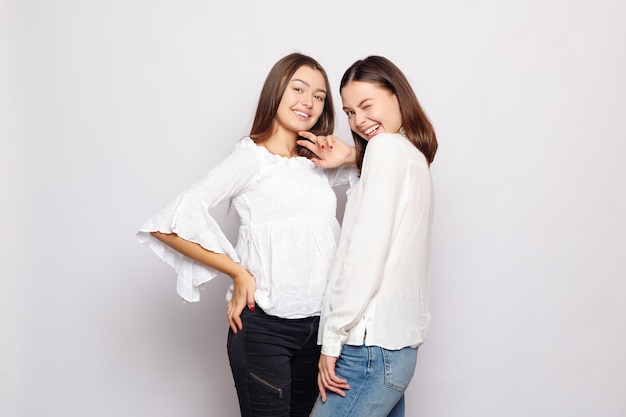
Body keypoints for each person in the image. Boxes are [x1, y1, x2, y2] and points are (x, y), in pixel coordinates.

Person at [136, 52, 356, 417]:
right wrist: (237, 272)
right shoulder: (251, 158)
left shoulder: (315, 162)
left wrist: (346, 156)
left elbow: (381, 171)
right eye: (298, 88)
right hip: (266, 331)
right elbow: (167, 223)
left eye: (319, 96)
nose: (309, 102)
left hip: (319, 330)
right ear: (277, 91)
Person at [307, 55, 438, 417]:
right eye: (349, 112)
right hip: (394, 352)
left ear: (397, 96)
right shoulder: (414, 157)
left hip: (366, 349)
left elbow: (365, 256)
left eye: (367, 105)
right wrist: (353, 158)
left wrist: (331, 340)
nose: (359, 121)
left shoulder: (385, 150)